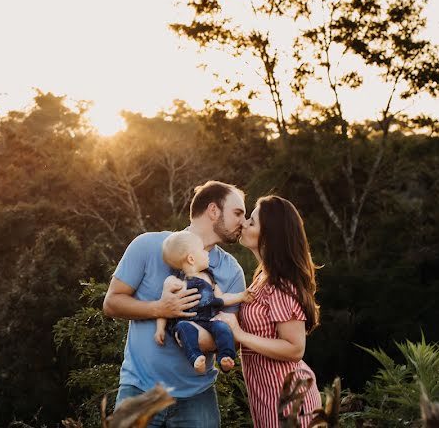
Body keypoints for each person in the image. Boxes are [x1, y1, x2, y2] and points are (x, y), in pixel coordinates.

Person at [103, 180, 247, 427]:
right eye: (238, 213)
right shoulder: (147, 245)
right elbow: (111, 303)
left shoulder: (232, 270)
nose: (243, 222)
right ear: (213, 211)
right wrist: (160, 309)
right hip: (140, 390)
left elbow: (232, 339)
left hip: (197, 397)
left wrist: (187, 332)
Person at [214, 196, 322, 427]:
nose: (243, 223)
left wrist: (240, 335)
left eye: (251, 222)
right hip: (267, 397)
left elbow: (295, 348)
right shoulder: (262, 278)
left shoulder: (280, 285)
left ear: (269, 235)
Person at [155, 231, 253, 374]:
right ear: (191, 259)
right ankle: (196, 357)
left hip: (209, 321)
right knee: (183, 328)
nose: (207, 253)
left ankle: (226, 357)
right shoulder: (174, 281)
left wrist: (241, 296)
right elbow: (164, 307)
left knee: (222, 327)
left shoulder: (209, 278)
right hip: (188, 322)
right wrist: (159, 329)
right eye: (202, 250)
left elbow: (222, 299)